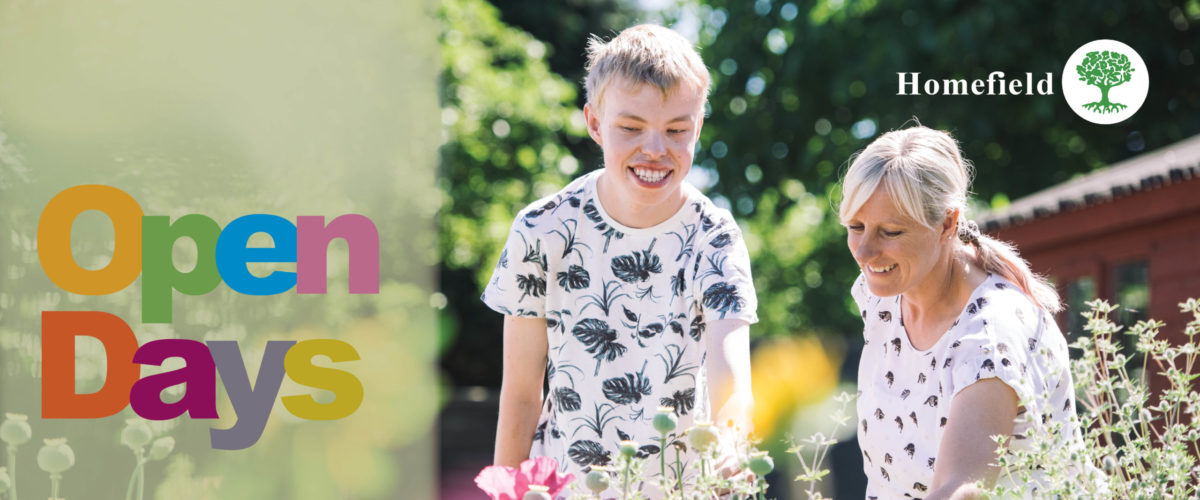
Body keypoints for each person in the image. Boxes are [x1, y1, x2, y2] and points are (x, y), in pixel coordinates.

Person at [481, 24, 757, 494]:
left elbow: (733, 377)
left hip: (679, 490)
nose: (655, 149)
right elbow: (523, 394)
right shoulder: (542, 229)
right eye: (631, 128)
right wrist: (504, 491)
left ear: (698, 128)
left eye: (677, 130)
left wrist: (731, 447)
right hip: (566, 487)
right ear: (594, 123)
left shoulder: (714, 237)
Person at [840, 125, 1088, 499]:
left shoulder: (990, 333)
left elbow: (961, 491)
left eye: (890, 232)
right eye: (856, 227)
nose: (863, 251)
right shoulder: (883, 298)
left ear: (947, 224)